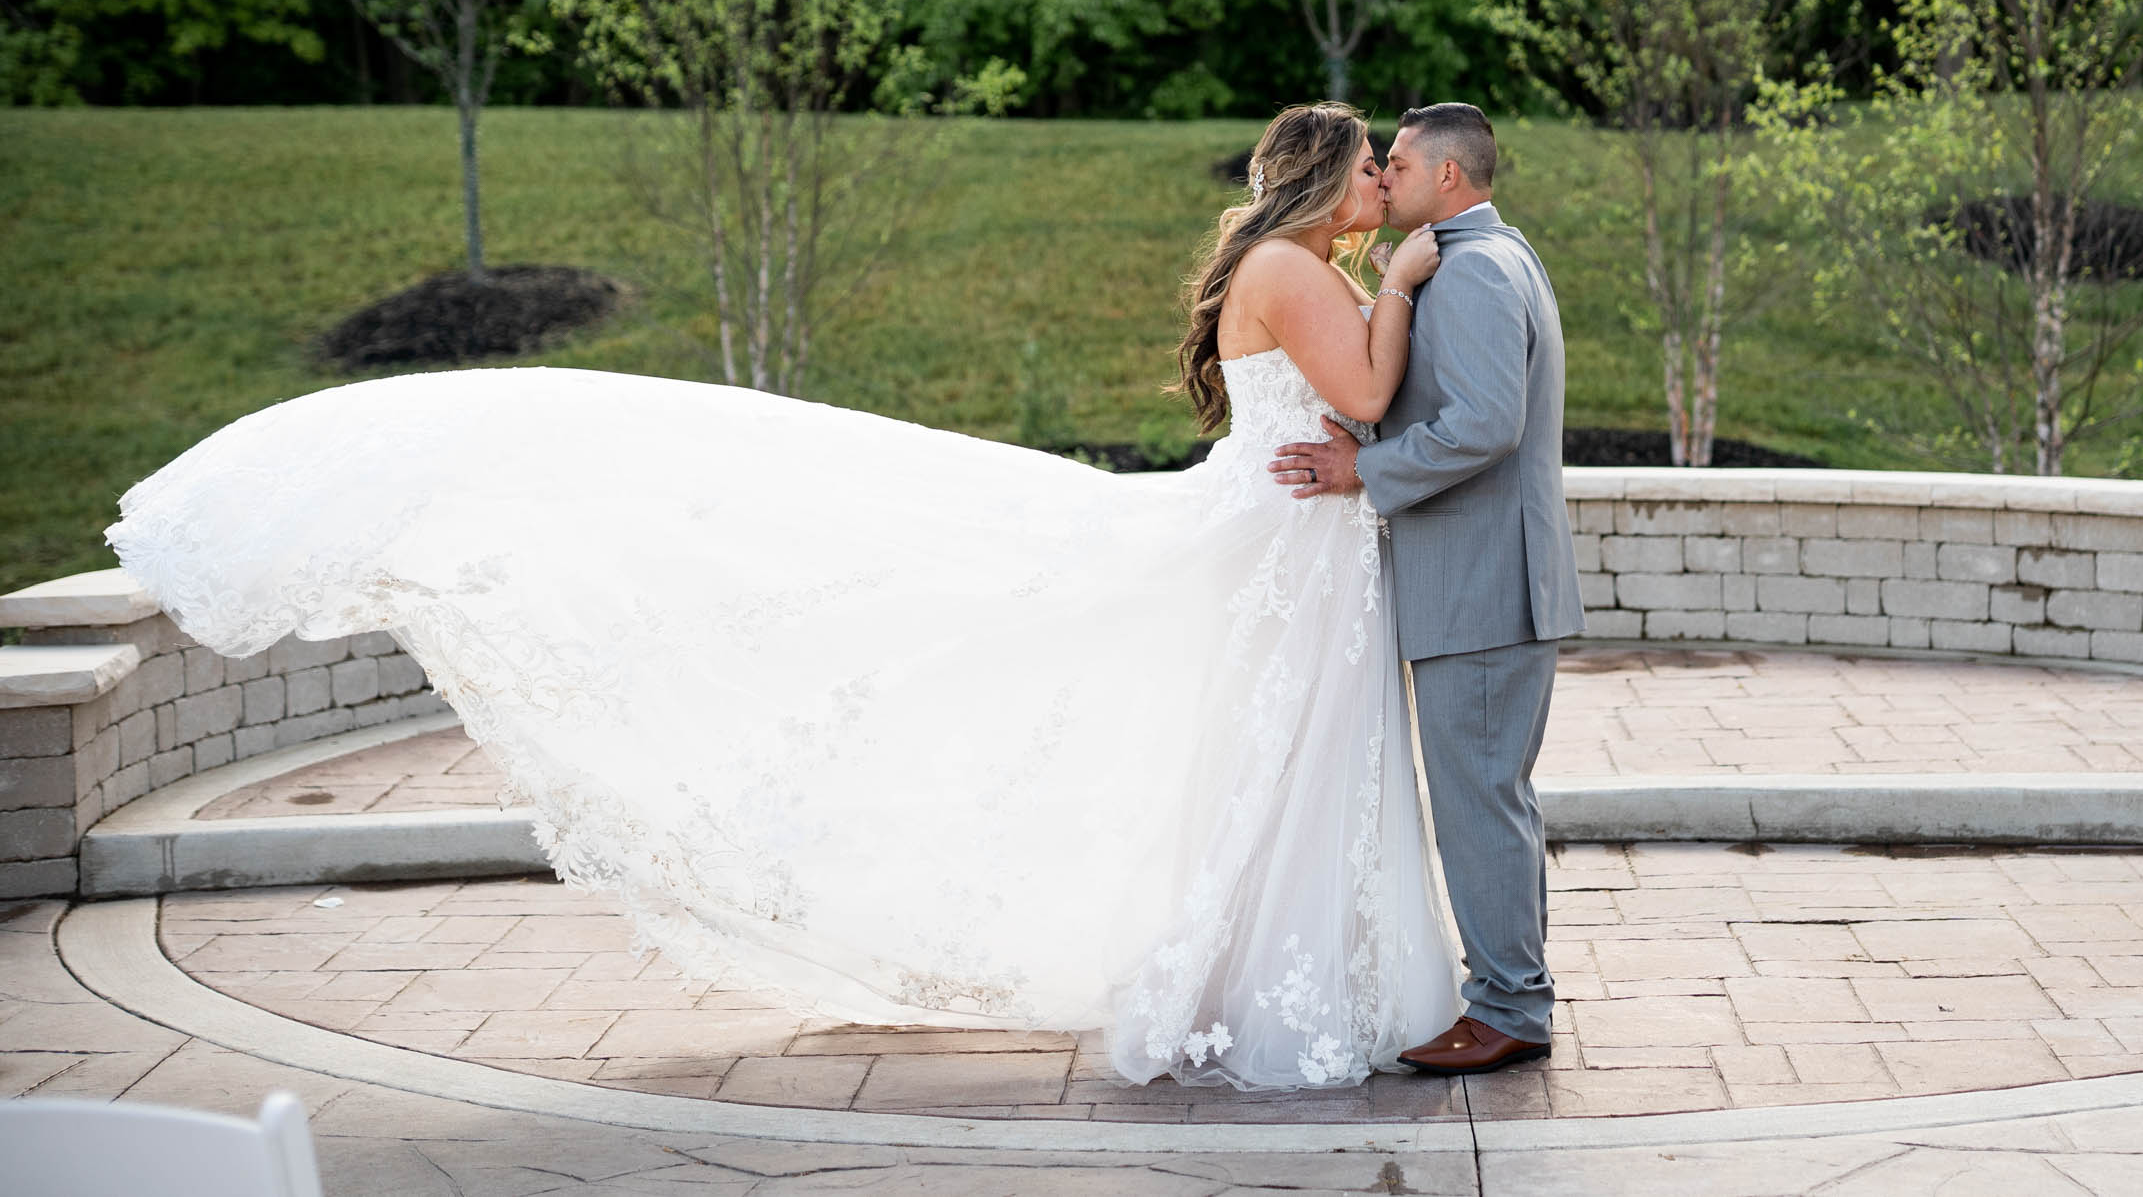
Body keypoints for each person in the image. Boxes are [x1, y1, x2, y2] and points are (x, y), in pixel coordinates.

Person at [104, 101, 1467, 1092]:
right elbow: (1360, 395)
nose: (1383, 181)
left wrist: (1376, 340)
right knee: (1274, 762)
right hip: (1280, 547)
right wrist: (1407, 283)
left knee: (1285, 767)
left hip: (1301, 546)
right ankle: (1268, 993)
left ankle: (1281, 976)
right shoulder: (1304, 268)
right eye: (1369, 164)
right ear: (1321, 179)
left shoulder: (1303, 264)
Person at [1271, 102, 1581, 1076]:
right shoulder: (1486, 259)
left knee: (1478, 803)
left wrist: (1364, 470)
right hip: (1477, 585)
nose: (1382, 177)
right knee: (1487, 797)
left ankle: (1508, 1011)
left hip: (1483, 591)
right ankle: (1509, 997)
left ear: (1448, 178)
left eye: (1396, 164)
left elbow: (1487, 422)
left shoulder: (1479, 271)